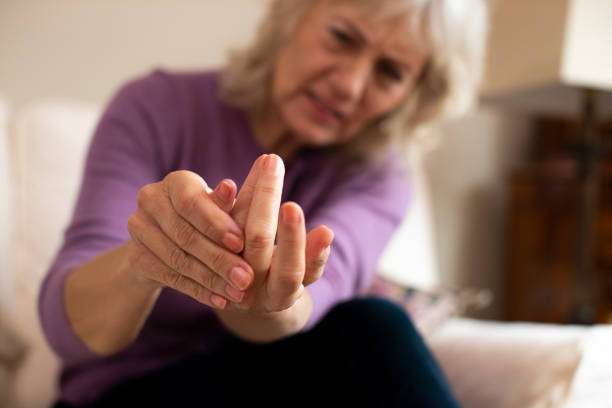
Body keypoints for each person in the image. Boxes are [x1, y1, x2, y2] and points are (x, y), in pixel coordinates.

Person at [40, 0, 487, 406]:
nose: (350, 86)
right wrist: (145, 260)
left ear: (414, 95)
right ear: (292, 15)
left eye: (390, 72)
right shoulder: (155, 106)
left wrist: (260, 292)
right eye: (342, 37)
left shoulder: (380, 177)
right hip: (120, 394)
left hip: (266, 377)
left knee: (371, 325)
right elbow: (70, 332)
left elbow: (317, 299)